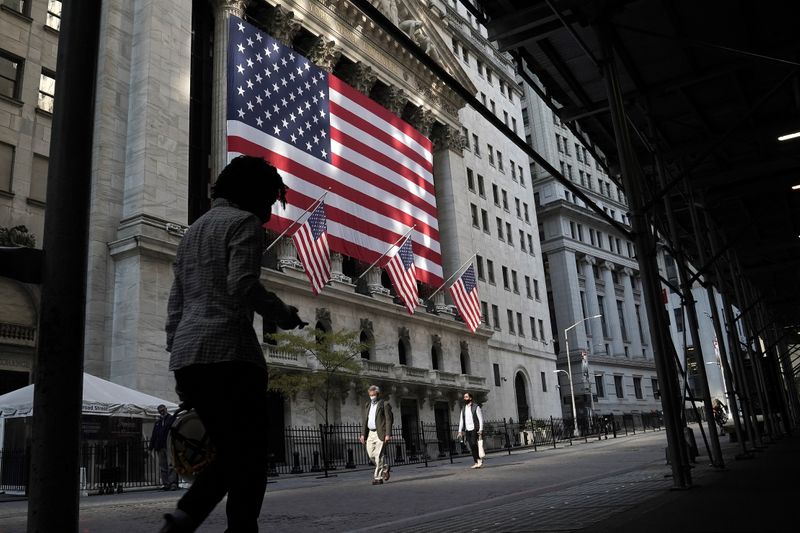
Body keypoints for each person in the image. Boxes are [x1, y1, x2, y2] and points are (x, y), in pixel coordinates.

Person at [160, 156, 306, 533]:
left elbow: (175, 304)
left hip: (189, 358)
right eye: (271, 200)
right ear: (253, 193)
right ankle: (188, 520)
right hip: (231, 355)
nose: (271, 212)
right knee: (248, 455)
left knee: (234, 451)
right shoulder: (244, 224)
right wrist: (284, 314)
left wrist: (179, 362)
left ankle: (190, 520)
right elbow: (241, 283)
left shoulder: (192, 232)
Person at [359, 385, 393, 485]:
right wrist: (362, 435)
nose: (371, 396)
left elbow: (389, 420)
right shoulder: (367, 405)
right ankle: (385, 467)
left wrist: (388, 434)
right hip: (370, 433)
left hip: (380, 432)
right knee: (371, 455)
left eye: (373, 395)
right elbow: (365, 420)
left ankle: (378, 478)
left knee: (378, 455)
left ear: (377, 394)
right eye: (370, 395)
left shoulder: (384, 404)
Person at [150, 404, 178, 491]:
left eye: (163, 410)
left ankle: (173, 483)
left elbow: (175, 430)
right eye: (160, 411)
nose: (162, 412)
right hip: (160, 447)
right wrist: (151, 447)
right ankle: (166, 484)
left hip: (168, 446)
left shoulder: (171, 419)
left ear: (166, 409)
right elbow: (154, 435)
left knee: (171, 465)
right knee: (163, 466)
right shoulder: (158, 422)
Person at [457, 392, 484, 468]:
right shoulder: (463, 408)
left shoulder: (476, 407)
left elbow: (480, 419)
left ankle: (479, 459)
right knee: (471, 446)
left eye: (466, 397)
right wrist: (460, 431)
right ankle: (476, 462)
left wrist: (481, 429)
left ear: (470, 398)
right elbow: (461, 421)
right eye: (464, 397)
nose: (464, 398)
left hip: (474, 429)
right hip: (467, 429)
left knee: (473, 444)